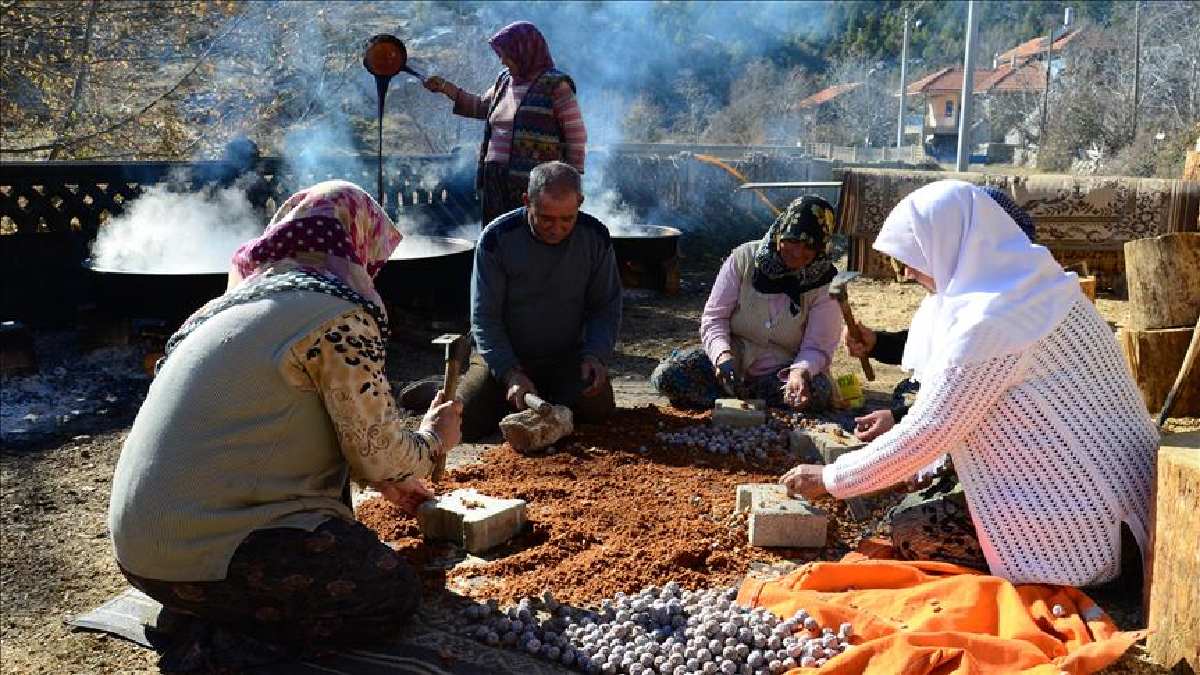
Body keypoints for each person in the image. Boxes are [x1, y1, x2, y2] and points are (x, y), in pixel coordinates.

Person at [107, 181, 462, 672]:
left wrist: (386, 483)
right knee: (389, 590)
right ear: (357, 245)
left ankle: (200, 610)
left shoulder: (219, 311)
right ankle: (220, 649)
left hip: (140, 557)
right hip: (206, 554)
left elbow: (287, 430)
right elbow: (376, 448)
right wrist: (432, 442)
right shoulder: (338, 317)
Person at [781, 180, 1157, 587]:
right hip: (1133, 513)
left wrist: (831, 479)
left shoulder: (991, 322)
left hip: (1089, 538)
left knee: (909, 529)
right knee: (918, 498)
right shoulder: (1041, 288)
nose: (906, 272)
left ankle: (1062, 576)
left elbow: (929, 432)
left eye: (914, 255)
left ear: (949, 243)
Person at [848, 185, 1039, 442]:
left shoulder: (999, 315)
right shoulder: (967, 294)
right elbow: (941, 347)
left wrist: (899, 419)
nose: (907, 273)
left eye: (920, 256)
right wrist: (877, 343)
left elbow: (962, 408)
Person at [458, 161, 621, 441]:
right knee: (465, 423)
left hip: (567, 356)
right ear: (526, 201)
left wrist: (595, 355)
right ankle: (444, 389)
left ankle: (537, 393)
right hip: (507, 355)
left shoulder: (595, 237)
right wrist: (509, 372)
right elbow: (485, 318)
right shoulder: (497, 239)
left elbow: (605, 305)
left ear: (580, 203)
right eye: (546, 218)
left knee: (598, 412)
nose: (556, 229)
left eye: (567, 219)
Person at [651, 196, 843, 412]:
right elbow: (715, 317)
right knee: (668, 375)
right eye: (792, 241)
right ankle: (740, 401)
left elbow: (817, 348)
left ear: (822, 248)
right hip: (733, 361)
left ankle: (739, 402)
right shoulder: (744, 258)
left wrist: (799, 373)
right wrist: (722, 355)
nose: (797, 252)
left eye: (809, 246)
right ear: (780, 232)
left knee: (816, 391)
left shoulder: (826, 283)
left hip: (782, 371)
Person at [423, 21, 587, 227]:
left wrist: (571, 183)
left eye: (506, 54)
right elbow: (482, 107)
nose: (502, 61)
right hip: (495, 177)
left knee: (527, 235)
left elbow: (576, 135)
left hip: (534, 182)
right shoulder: (505, 80)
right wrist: (446, 88)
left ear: (524, 52)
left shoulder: (555, 85)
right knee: (497, 233)